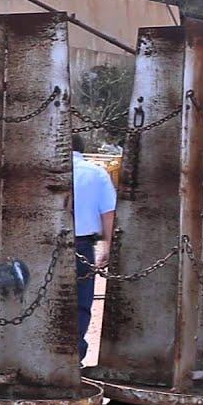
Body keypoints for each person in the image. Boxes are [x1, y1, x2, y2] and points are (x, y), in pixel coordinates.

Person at [71, 133, 117, 362]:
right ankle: (75, 354)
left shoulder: (42, 171)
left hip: (45, 244)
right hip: (82, 245)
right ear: (81, 148)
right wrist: (108, 246)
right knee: (81, 301)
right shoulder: (96, 173)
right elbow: (108, 213)